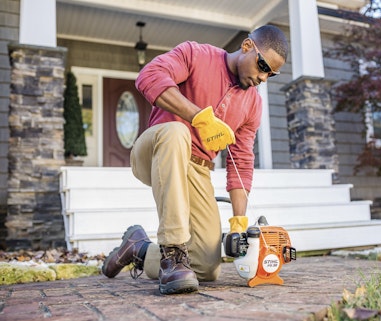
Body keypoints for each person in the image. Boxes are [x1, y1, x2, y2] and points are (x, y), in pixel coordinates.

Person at [101, 25, 288, 295]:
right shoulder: (196, 55)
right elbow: (149, 75)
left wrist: (239, 222)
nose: (263, 77)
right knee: (177, 132)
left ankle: (138, 248)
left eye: (271, 73)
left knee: (206, 267)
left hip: (198, 169)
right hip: (156, 149)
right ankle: (173, 250)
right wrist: (198, 117)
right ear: (247, 46)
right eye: (262, 66)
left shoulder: (253, 104)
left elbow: (241, 162)